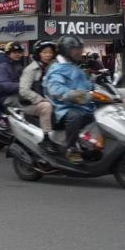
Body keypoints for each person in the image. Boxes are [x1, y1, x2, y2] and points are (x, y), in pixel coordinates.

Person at [44, 34, 97, 162]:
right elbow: (56, 89)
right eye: (75, 49)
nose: (79, 52)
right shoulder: (56, 69)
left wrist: (96, 84)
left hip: (81, 103)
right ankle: (71, 149)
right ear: (66, 50)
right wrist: (73, 95)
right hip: (64, 107)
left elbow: (84, 84)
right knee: (75, 116)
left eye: (80, 49)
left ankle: (89, 145)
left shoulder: (73, 66)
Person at [18, 40, 57, 135]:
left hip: (51, 100)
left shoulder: (54, 68)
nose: (48, 55)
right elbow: (24, 90)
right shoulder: (31, 69)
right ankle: (46, 136)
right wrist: (40, 99)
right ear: (38, 54)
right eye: (44, 52)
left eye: (50, 52)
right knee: (46, 106)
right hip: (31, 104)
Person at [0, 42, 26, 128]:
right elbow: (2, 83)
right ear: (8, 54)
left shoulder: (18, 65)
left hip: (18, 93)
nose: (18, 54)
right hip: (6, 97)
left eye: (19, 52)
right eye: (15, 52)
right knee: (27, 103)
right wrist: (21, 86)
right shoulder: (3, 66)